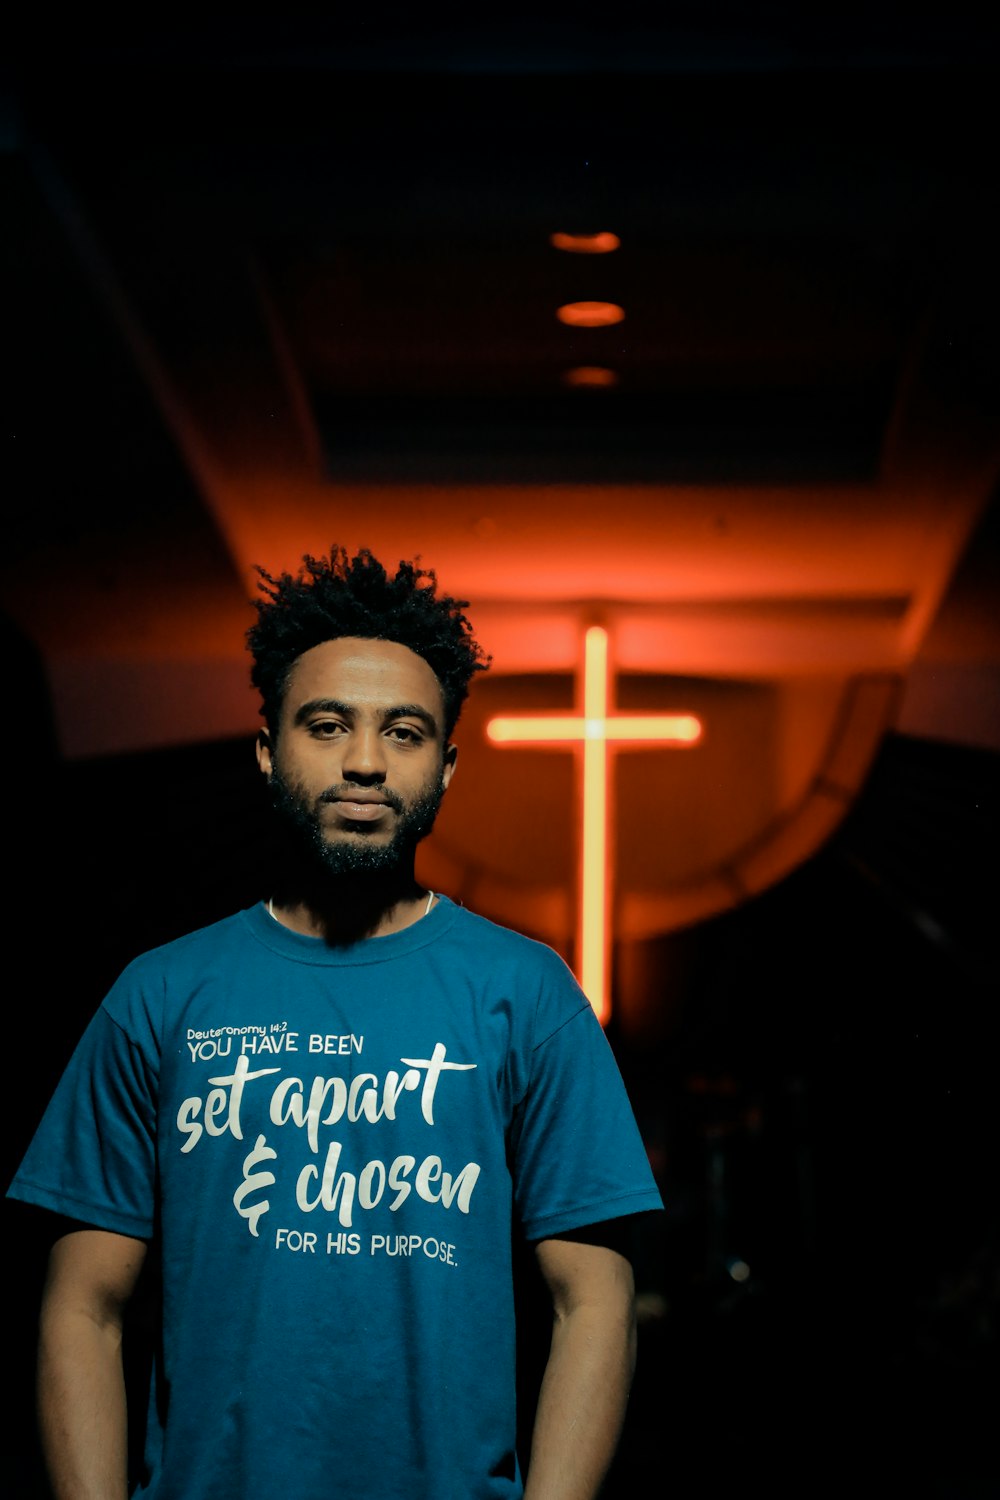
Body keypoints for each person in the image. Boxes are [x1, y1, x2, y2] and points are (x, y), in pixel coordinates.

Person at [7, 546, 664, 1500]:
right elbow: (83, 1307)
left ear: (446, 766)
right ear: (269, 748)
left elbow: (596, 1300)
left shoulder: (528, 995)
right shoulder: (160, 995)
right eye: (328, 725)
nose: (364, 761)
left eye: (403, 732)